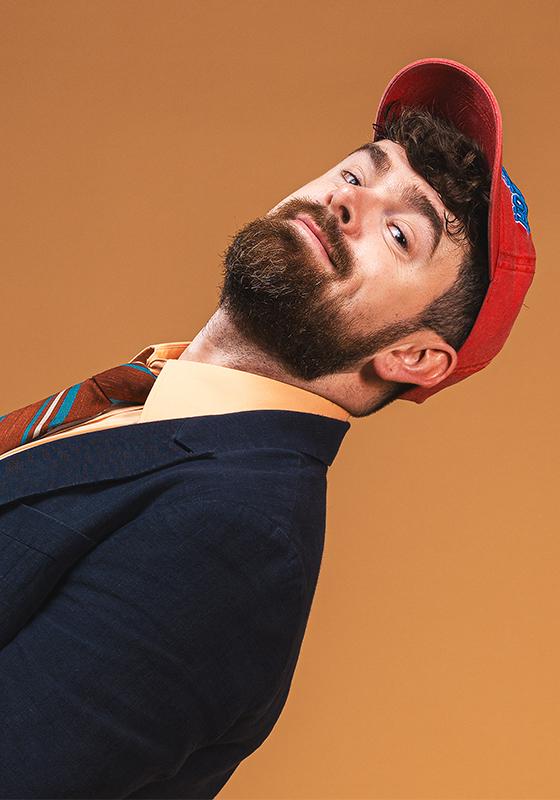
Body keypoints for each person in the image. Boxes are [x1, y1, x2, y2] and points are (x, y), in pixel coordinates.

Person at [0, 58, 535, 799]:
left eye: (400, 233)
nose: (347, 203)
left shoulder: (238, 540)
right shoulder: (143, 409)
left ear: (412, 355)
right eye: (357, 174)